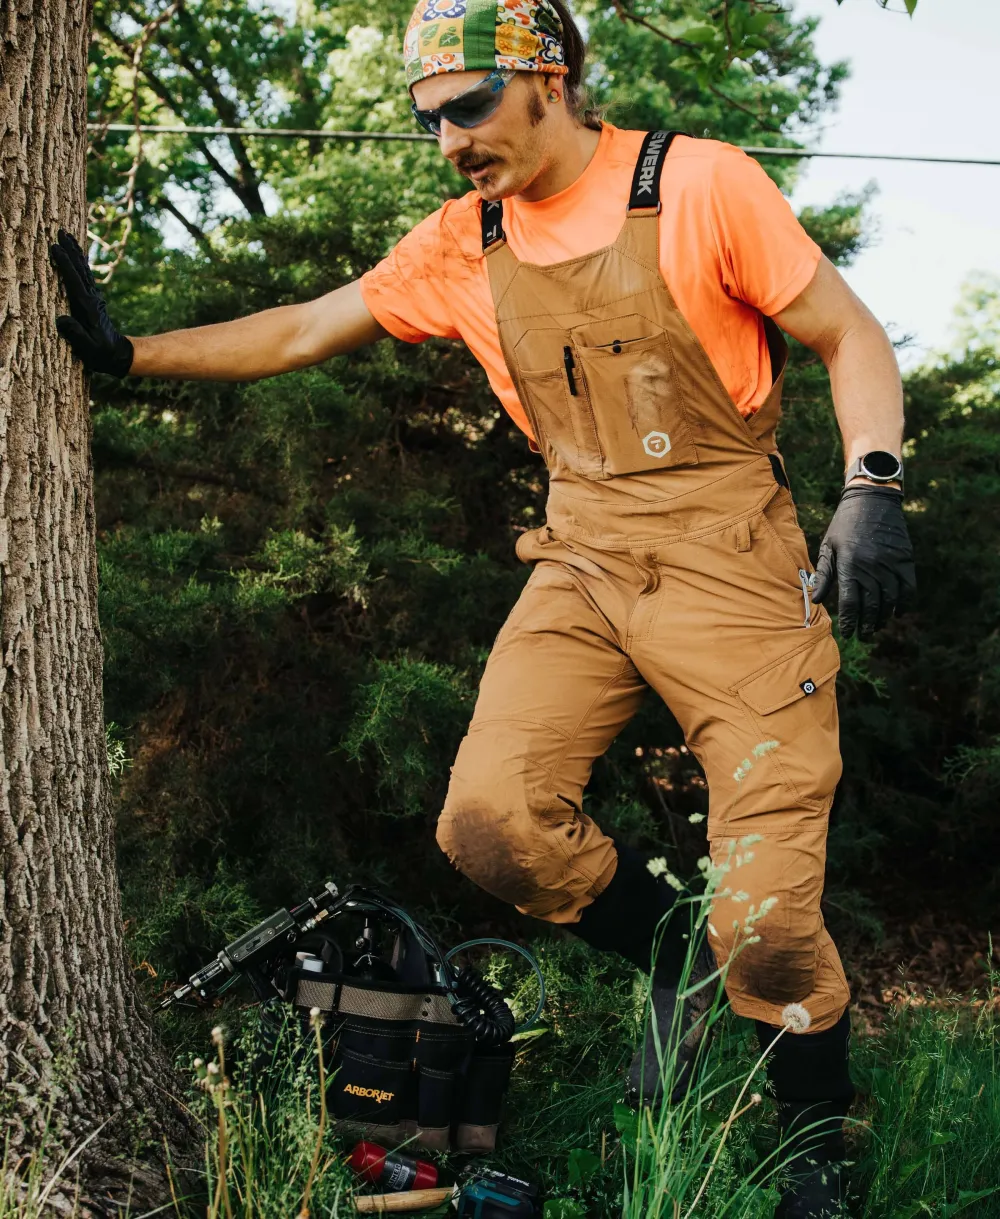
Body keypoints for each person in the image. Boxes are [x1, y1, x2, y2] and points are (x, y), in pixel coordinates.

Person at [52, 1, 915, 1213]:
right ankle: (672, 952)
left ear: (549, 79)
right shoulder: (465, 240)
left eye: (468, 107)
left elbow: (847, 331)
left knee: (766, 918)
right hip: (582, 556)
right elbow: (303, 328)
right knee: (490, 823)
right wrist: (133, 353)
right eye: (430, 121)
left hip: (732, 555)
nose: (450, 140)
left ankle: (814, 1137)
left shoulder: (698, 184)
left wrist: (870, 485)